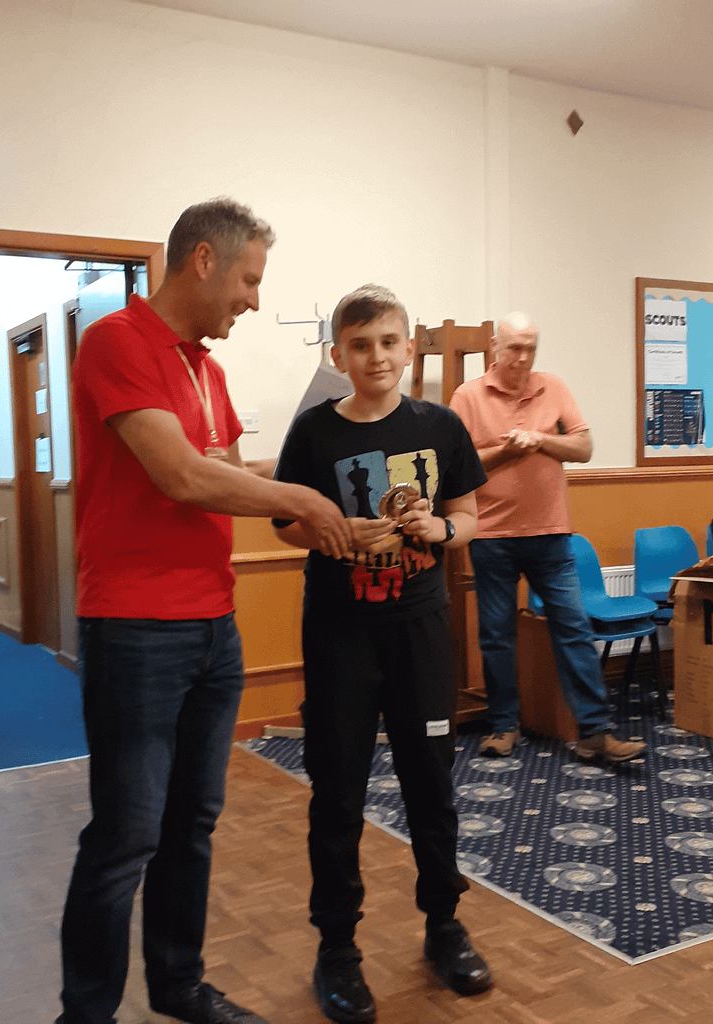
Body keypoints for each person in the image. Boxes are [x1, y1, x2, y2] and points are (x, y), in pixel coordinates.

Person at [58, 198, 354, 1024]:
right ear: (202, 261)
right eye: (249, 281)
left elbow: (229, 469)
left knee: (192, 824)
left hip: (212, 627)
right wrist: (298, 496)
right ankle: (86, 1013)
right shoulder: (116, 341)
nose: (254, 301)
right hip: (134, 629)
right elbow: (182, 475)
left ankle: (179, 986)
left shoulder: (207, 369)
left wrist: (322, 485)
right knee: (126, 836)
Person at [273, 285, 492, 1024]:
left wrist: (443, 532)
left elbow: (467, 514)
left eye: (389, 342)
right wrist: (333, 534)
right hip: (340, 632)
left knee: (430, 780)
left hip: (420, 629)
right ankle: (337, 947)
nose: (376, 357)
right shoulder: (313, 432)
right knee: (337, 790)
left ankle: (444, 925)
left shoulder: (441, 426)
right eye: (361, 345)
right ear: (339, 353)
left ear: (408, 348)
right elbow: (285, 524)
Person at [449, 313, 647, 763]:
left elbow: (583, 447)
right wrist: (507, 450)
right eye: (514, 348)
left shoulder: (553, 387)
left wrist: (538, 440)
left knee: (574, 628)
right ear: (495, 347)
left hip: (551, 534)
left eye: (531, 349)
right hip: (491, 536)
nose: (523, 358)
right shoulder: (467, 396)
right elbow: (457, 467)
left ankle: (594, 732)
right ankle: (504, 726)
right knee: (496, 636)